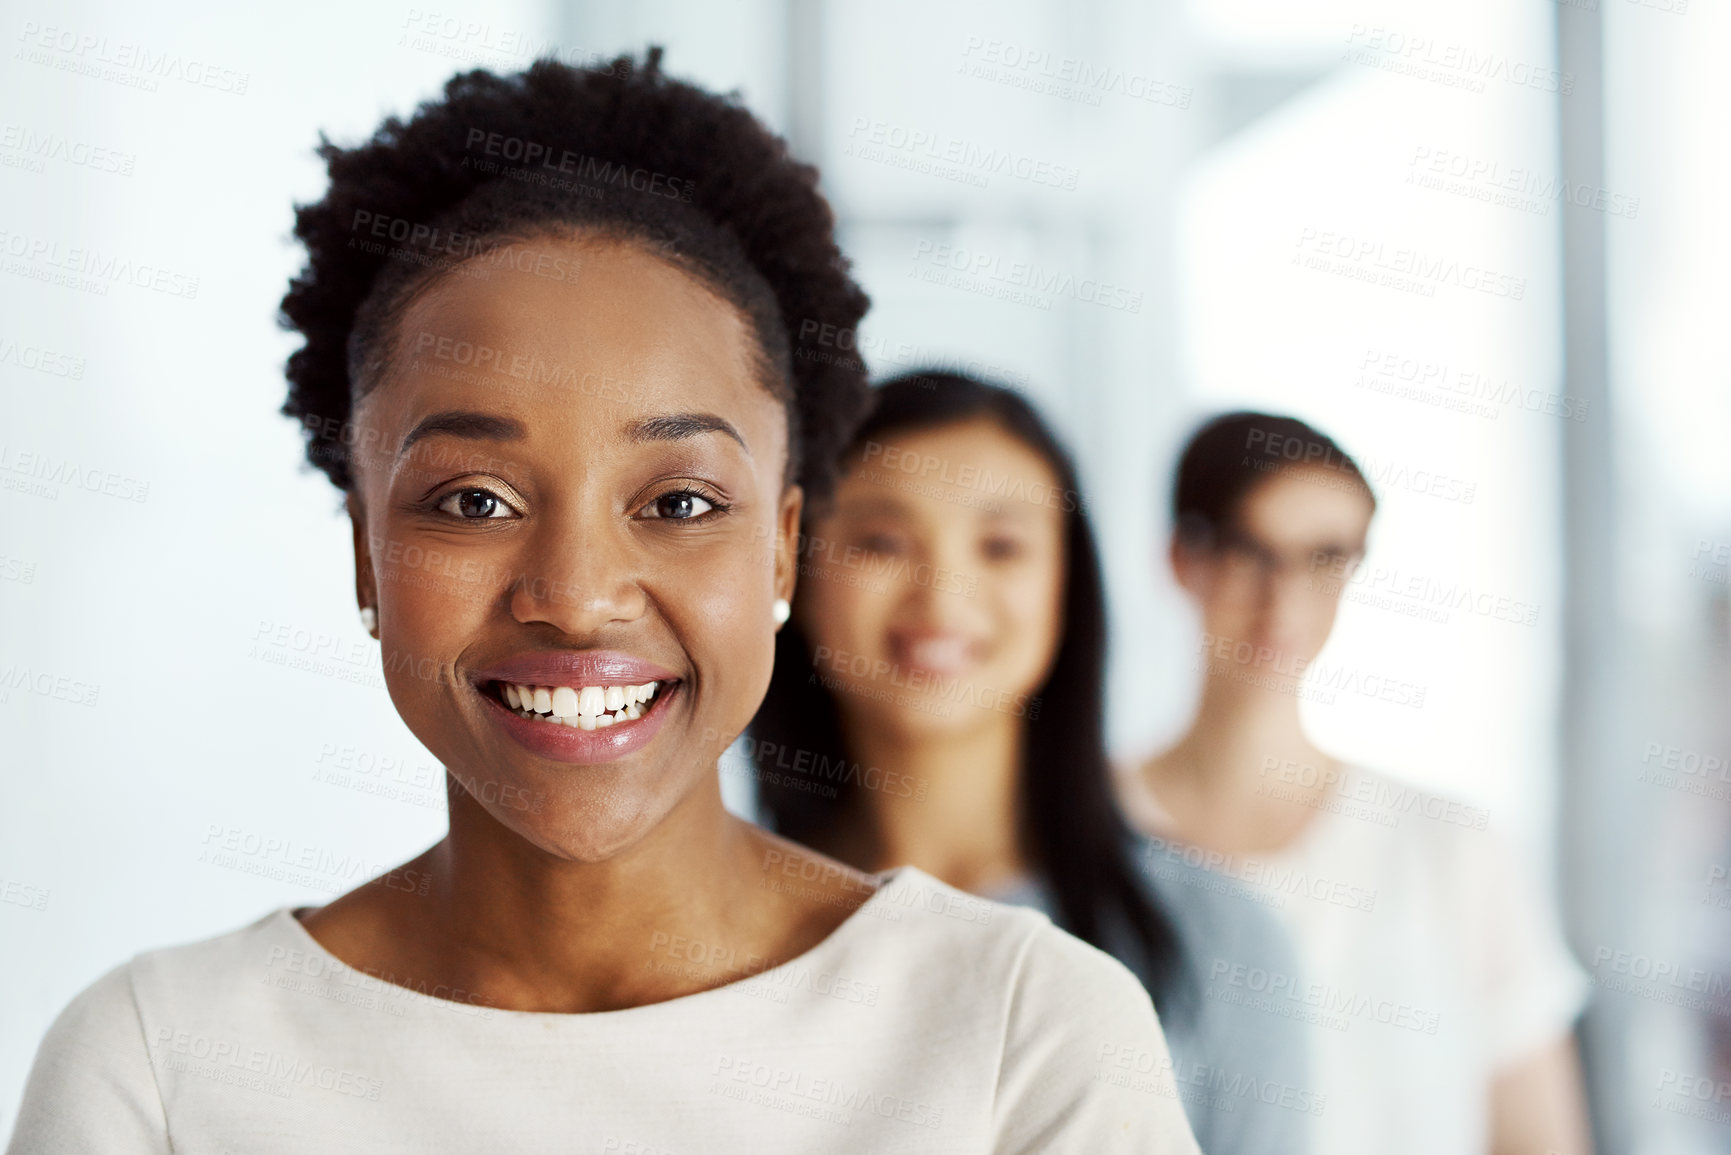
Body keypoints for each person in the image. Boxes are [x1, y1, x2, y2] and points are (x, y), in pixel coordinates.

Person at [5, 54, 1200, 1154]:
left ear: (783, 552)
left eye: (679, 502)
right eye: (472, 501)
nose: (575, 600)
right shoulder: (159, 1068)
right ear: (367, 556)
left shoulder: (1022, 1036)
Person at [750, 371, 1315, 1152]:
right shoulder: (715, 928)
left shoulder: (1215, 940)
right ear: (795, 572)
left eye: (1000, 545)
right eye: (880, 541)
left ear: (1065, 588)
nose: (943, 594)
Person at [1116, 410, 1594, 1155]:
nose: (1284, 598)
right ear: (1182, 558)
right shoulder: (1076, 828)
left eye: (1324, 556)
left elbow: (1537, 1138)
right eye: (1250, 550)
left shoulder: (1448, 846)